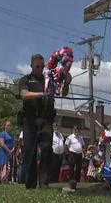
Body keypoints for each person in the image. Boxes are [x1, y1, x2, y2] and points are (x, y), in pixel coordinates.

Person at [19, 53, 71, 189]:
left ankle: (44, 182)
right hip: (30, 120)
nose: (40, 69)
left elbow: (62, 93)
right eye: (37, 66)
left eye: (42, 66)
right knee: (30, 151)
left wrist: (66, 82)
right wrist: (42, 94)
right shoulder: (26, 79)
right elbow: (24, 94)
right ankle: (30, 184)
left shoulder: (49, 79)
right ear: (31, 66)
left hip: (46, 119)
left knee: (47, 148)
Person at [63, 125, 85, 192]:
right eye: (75, 130)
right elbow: (66, 145)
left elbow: (83, 145)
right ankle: (71, 180)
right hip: (72, 153)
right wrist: (67, 153)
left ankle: (77, 180)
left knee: (79, 167)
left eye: (78, 130)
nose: (77, 131)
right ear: (73, 130)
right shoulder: (70, 137)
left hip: (79, 154)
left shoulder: (81, 137)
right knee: (71, 167)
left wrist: (83, 152)